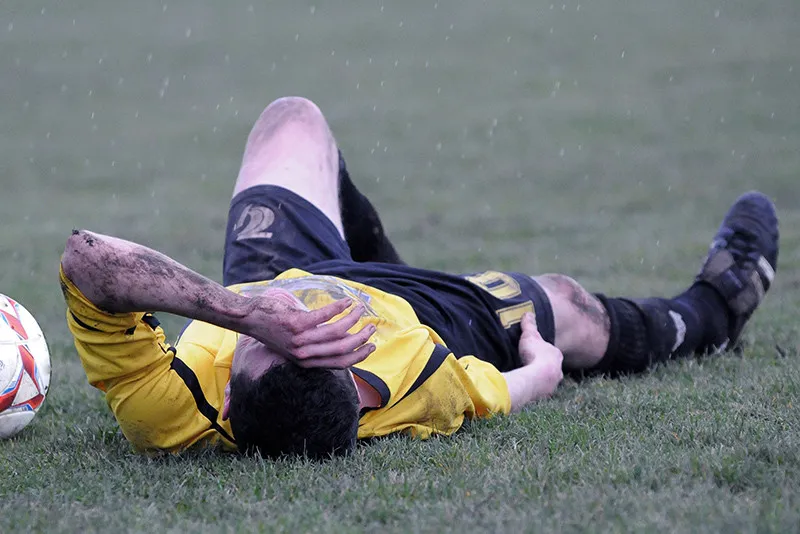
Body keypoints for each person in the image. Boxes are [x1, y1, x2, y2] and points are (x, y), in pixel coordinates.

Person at [60, 97, 779, 459]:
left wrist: (251, 314)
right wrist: (542, 362)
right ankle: (716, 309)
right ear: (354, 372)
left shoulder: (167, 412)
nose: (292, 316)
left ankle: (362, 246)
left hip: (269, 269)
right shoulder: (420, 382)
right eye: (311, 332)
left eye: (283, 330)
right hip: (421, 310)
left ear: (228, 382)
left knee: (294, 119)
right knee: (571, 304)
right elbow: (517, 386)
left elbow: (87, 258)